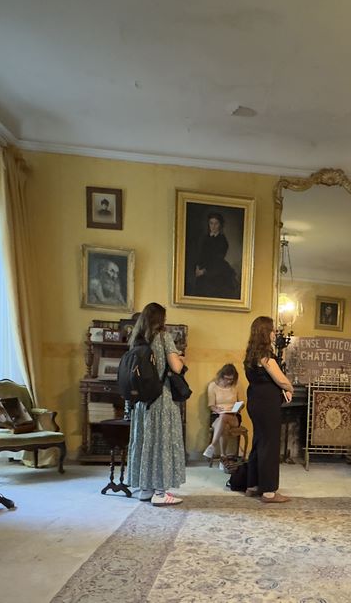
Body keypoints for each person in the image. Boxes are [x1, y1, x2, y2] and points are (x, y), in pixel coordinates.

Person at [126, 303, 187, 506]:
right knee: (163, 442)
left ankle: (145, 489)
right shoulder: (163, 337)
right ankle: (161, 493)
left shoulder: (136, 339)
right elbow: (176, 368)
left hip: (143, 401)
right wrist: (181, 358)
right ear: (161, 319)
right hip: (162, 398)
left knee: (146, 442)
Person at [243, 316, 295, 502]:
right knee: (270, 445)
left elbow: (267, 380)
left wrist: (282, 389)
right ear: (266, 333)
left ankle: (253, 485)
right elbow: (280, 379)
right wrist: (289, 388)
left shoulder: (251, 355)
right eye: (272, 330)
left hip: (255, 401)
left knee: (259, 442)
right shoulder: (266, 356)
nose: (275, 333)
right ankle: (269, 491)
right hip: (267, 404)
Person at [193, 211, 239, 299]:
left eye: (216, 223)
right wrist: (197, 267)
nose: (213, 226)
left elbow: (217, 260)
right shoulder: (204, 238)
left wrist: (204, 271)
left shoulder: (222, 241)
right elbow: (200, 254)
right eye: (211, 223)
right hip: (201, 269)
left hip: (215, 271)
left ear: (220, 225)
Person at [204, 363, 243, 460]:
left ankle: (212, 445)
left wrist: (238, 408)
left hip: (233, 416)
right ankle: (223, 457)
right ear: (221, 376)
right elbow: (211, 405)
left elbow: (242, 403)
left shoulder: (237, 385)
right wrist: (216, 409)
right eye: (226, 379)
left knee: (224, 416)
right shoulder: (213, 386)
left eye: (231, 379)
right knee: (224, 425)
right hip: (217, 415)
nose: (229, 381)